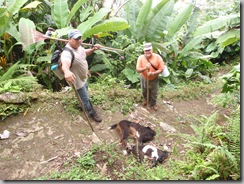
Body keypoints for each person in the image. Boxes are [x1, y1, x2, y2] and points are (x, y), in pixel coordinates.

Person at [61, 29, 102, 122]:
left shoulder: (79, 47)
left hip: (83, 77)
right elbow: (65, 62)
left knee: (85, 92)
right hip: (77, 81)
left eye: (80, 38)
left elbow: (84, 52)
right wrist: (66, 71)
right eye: (76, 39)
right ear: (69, 39)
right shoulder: (67, 52)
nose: (79, 40)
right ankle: (92, 113)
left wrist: (93, 49)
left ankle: (82, 104)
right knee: (86, 98)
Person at [136, 43, 164, 111]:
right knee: (144, 90)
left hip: (154, 78)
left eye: (149, 50)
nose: (148, 52)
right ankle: (146, 100)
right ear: (144, 51)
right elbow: (138, 69)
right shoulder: (141, 58)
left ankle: (153, 103)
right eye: (146, 50)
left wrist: (153, 73)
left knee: (154, 91)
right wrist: (145, 68)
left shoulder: (158, 58)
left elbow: (161, 69)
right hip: (144, 77)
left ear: (152, 50)